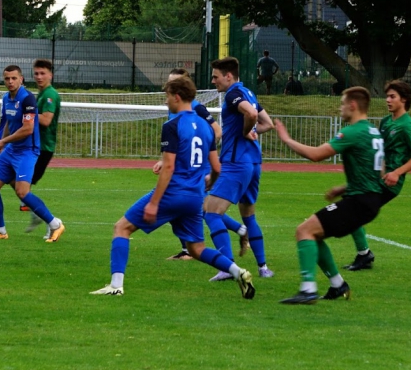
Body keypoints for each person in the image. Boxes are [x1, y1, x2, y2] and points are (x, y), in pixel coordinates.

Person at [90, 76, 255, 299]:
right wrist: (210, 182)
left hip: (173, 193)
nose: (166, 101)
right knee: (196, 249)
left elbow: (168, 167)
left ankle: (116, 285)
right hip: (195, 197)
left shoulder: (172, 125)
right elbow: (216, 167)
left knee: (122, 228)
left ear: (177, 97)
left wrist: (154, 203)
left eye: (167, 96)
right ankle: (238, 272)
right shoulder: (207, 129)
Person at [274, 86, 390, 304]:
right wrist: (344, 188)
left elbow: (317, 155)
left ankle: (308, 290)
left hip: (360, 202)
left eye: (342, 103)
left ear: (353, 105)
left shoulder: (353, 132)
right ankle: (337, 285)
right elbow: (379, 172)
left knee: (304, 231)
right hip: (369, 199)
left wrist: (286, 139)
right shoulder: (373, 131)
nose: (340, 108)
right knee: (313, 233)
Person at [205, 57, 275, 281]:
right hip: (254, 163)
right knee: (249, 217)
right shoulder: (249, 93)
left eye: (216, 76)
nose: (213, 80)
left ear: (228, 76)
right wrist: (251, 132)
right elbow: (267, 124)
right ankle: (263, 268)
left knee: (210, 212)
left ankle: (227, 267)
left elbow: (252, 116)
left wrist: (245, 131)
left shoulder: (234, 94)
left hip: (236, 164)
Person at [345, 80, 411, 271]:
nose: (387, 100)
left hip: (390, 182)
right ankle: (364, 254)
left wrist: (397, 172)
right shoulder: (386, 121)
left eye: (392, 96)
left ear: (404, 99)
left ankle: (364, 255)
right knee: (351, 206)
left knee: (352, 209)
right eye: (387, 96)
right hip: (377, 178)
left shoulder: (407, 125)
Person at [153, 68, 230, 261]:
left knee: (198, 208)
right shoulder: (173, 109)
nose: (169, 88)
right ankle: (190, 250)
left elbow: (217, 132)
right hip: (181, 168)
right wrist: (165, 159)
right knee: (193, 208)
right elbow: (178, 142)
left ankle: (198, 250)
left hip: (196, 168)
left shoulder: (196, 108)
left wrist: (202, 154)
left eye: (174, 82)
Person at [0, 65, 65, 242]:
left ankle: (55, 224)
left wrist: (4, 141)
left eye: (14, 78)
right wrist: (3, 143)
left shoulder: (28, 99)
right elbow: (9, 122)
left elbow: (28, 129)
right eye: (7, 79)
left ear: (21, 79)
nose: (10, 82)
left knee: (22, 192)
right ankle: (0, 231)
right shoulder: (6, 98)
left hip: (28, 151)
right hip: (11, 150)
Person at [22, 59, 63, 230]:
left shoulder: (50, 95)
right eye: (36, 73)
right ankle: (38, 215)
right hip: (35, 147)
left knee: (21, 185)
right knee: (17, 183)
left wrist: (25, 114)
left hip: (43, 148)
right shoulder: (42, 94)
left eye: (42, 73)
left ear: (50, 75)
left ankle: (51, 221)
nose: (39, 77)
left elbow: (46, 120)